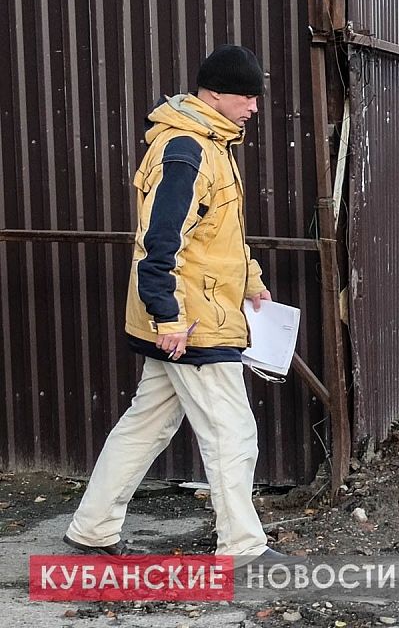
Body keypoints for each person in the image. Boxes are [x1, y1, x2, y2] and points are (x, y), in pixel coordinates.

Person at [65, 45, 282, 561]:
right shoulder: (186, 150)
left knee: (147, 424)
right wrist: (168, 315)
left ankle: (91, 532)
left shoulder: (211, 143)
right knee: (232, 433)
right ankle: (244, 551)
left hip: (192, 314)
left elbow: (219, 234)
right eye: (246, 96)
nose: (254, 107)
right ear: (214, 94)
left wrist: (251, 280)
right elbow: (158, 242)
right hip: (190, 322)